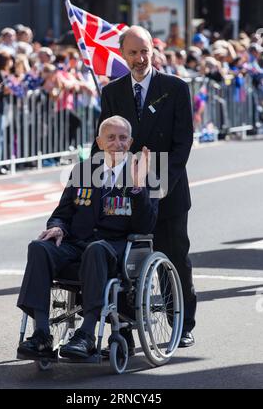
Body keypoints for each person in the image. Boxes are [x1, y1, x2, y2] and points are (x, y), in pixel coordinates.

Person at [17, 115, 158, 360]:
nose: (118, 143)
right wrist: (58, 227)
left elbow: (146, 225)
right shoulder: (83, 170)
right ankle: (41, 333)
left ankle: (86, 333)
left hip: (115, 248)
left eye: (123, 138)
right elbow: (62, 213)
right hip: (76, 243)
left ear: (131, 141)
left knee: (96, 249)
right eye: (111, 137)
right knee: (39, 247)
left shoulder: (143, 170)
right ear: (99, 142)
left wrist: (137, 188)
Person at [92, 25, 197, 348]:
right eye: (133, 53)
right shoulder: (112, 92)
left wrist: (163, 183)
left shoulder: (176, 88)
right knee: (124, 260)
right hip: (125, 191)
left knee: (174, 255)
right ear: (123, 55)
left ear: (154, 50)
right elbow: (103, 142)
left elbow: (183, 142)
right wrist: (100, 181)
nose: (140, 59)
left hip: (167, 187)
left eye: (145, 51)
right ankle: (122, 327)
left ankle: (181, 322)